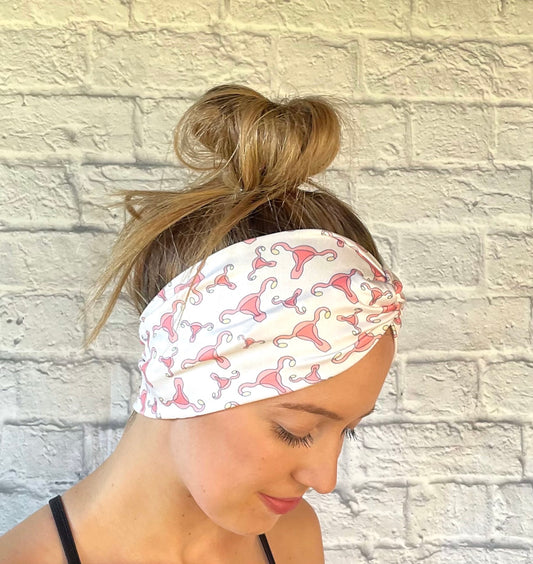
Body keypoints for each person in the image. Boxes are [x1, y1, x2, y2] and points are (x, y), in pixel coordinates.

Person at [0, 84, 405, 564]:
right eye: (295, 429)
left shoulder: (292, 538)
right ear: (183, 377)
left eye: (348, 431)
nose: (325, 479)